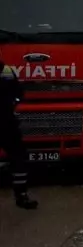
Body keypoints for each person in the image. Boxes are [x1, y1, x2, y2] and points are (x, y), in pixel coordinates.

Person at [1, 56, 36, 209]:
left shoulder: (6, 70)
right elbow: (19, 92)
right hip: (7, 121)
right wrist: (12, 103)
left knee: (19, 157)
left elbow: (18, 92)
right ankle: (21, 196)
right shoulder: (6, 70)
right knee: (18, 157)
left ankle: (21, 195)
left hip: (7, 121)